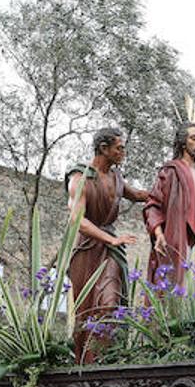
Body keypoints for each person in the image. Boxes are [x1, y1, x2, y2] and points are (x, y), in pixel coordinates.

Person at [66, 127, 152, 360]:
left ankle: (108, 359)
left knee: (111, 302)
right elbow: (77, 220)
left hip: (110, 253)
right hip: (86, 252)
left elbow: (138, 195)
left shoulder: (116, 177)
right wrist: (111, 238)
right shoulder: (80, 178)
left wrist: (165, 191)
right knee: (85, 310)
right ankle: (86, 364)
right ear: (104, 149)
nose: (123, 152)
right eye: (119, 148)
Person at [143, 123, 195, 291]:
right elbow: (153, 205)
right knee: (172, 291)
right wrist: (158, 234)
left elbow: (194, 221)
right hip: (174, 240)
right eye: (194, 138)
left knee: (191, 295)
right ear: (182, 142)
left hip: (192, 246)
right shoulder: (172, 171)